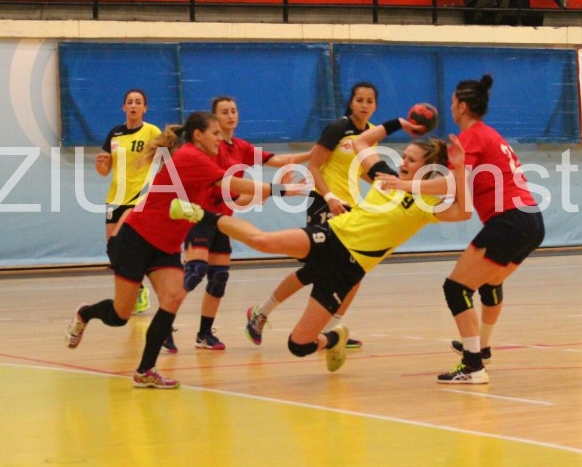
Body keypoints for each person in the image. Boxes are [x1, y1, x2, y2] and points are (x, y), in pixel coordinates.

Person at [170, 115, 471, 373]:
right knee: (262, 241)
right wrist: (396, 124)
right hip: (332, 236)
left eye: (410, 159)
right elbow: (360, 143)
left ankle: (334, 339)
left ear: (428, 166)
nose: (402, 161)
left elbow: (464, 210)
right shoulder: (385, 176)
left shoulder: (427, 203)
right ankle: (200, 213)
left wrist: (457, 166)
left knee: (298, 345)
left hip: (351, 267)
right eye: (403, 156)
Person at [66, 111, 307, 389]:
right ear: (197, 135)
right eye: (214, 133)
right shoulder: (190, 156)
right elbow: (231, 184)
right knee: (121, 315)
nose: (220, 138)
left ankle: (145, 370)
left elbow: (231, 195)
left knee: (174, 296)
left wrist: (264, 193)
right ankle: (85, 313)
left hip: (165, 245)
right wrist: (279, 189)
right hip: (137, 238)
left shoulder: (205, 163)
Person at [377, 75, 544, 384]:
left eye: (453, 102)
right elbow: (461, 190)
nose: (450, 107)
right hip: (531, 220)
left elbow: (454, 183)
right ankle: (482, 347)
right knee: (489, 283)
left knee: (456, 288)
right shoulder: (489, 135)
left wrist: (404, 184)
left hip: (509, 219)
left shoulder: (470, 138)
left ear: (463, 106)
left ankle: (472, 365)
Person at [166, 96, 311, 353]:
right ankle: (165, 323)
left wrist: (314, 153)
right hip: (200, 216)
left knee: (218, 278)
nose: (231, 115)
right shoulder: (209, 148)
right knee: (196, 271)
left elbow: (277, 161)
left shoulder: (241, 147)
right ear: (213, 120)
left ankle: (204, 333)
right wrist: (272, 190)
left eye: (234, 110)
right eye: (224, 112)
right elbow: (226, 187)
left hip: (223, 220)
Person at [245, 82, 379, 350]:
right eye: (359, 100)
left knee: (354, 271)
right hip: (324, 204)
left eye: (370, 101)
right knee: (316, 269)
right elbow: (315, 166)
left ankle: (333, 331)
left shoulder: (372, 133)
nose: (364, 105)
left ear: (375, 105)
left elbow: (358, 169)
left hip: (351, 210)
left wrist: (379, 180)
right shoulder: (338, 129)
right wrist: (329, 197)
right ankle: (261, 313)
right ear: (351, 103)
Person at [95, 89, 161, 316]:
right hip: (116, 197)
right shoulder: (115, 134)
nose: (133, 105)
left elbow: (168, 158)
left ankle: (138, 293)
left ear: (145, 108)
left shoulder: (152, 131)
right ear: (123, 107)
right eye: (130, 102)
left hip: (140, 196)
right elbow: (105, 171)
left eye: (138, 102)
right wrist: (100, 164)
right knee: (113, 250)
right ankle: (139, 289)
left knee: (120, 240)